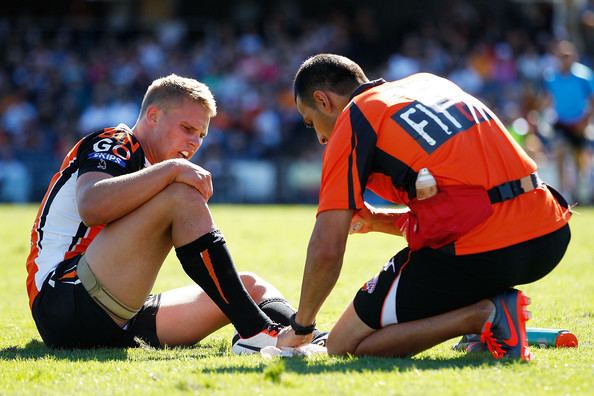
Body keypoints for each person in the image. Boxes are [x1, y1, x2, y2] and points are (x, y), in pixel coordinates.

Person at [277, 54, 572, 360]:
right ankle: (487, 319)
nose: (322, 138)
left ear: (323, 101)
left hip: (485, 248)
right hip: (549, 233)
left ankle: (482, 316)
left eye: (312, 123)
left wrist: (302, 326)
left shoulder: (356, 116)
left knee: (342, 345)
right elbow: (465, 203)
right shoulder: (430, 83)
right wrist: (378, 221)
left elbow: (327, 246)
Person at [26, 74, 296, 353]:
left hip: (115, 312)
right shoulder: (116, 141)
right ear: (153, 115)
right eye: (187, 128)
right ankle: (255, 332)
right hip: (64, 300)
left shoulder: (153, 166)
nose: (195, 142)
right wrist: (171, 170)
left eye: (201, 134)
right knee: (181, 196)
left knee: (251, 286)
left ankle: (305, 337)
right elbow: (92, 205)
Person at [543, 40, 594, 204]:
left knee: (579, 159)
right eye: (561, 56)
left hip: (580, 123)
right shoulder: (551, 77)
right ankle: (562, 192)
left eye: (567, 56)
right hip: (561, 123)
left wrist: (586, 121)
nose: (564, 59)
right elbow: (548, 99)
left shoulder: (583, 76)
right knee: (560, 152)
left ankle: (579, 191)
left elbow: (592, 100)